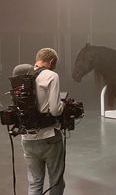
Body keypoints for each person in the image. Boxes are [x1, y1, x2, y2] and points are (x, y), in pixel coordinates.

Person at [16, 48, 65, 195]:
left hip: (27, 139)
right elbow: (55, 110)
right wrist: (63, 104)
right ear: (51, 62)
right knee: (56, 182)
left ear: (37, 59)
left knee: (35, 183)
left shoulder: (22, 76)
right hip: (49, 137)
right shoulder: (51, 76)